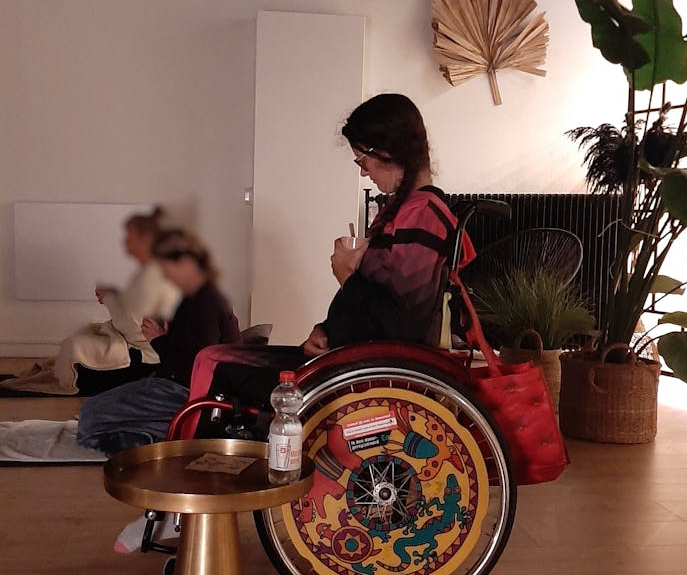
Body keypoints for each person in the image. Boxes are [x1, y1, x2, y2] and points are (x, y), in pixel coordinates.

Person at [177, 93, 475, 440]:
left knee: (215, 363)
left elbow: (400, 325)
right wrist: (326, 329)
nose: (363, 172)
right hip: (349, 355)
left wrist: (347, 275)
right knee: (215, 358)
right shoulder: (408, 211)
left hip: (365, 367)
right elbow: (379, 306)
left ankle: (203, 466)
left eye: (363, 160)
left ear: (389, 151)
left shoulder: (420, 215)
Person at [76, 228, 240, 456]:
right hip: (173, 382)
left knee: (91, 417)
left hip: (191, 392)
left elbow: (195, 366)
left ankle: (177, 436)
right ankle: (159, 434)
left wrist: (158, 340)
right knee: (91, 412)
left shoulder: (203, 300)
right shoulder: (181, 295)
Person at [0, 207, 180, 396]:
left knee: (76, 349)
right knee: (76, 342)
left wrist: (110, 299)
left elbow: (137, 330)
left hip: (146, 356)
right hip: (128, 339)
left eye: (131, 238)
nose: (125, 243)